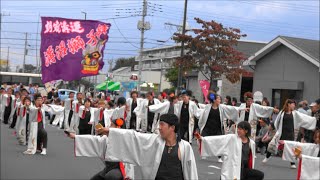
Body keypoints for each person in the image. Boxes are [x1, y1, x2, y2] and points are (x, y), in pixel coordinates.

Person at [96, 113, 198, 179]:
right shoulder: (155, 141)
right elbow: (134, 136)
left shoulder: (185, 147)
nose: (159, 128)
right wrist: (110, 131)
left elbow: (191, 173)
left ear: (172, 127)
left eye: (162, 124)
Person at [68, 109, 134, 180]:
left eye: (111, 125)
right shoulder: (106, 138)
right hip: (109, 168)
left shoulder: (125, 141)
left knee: (111, 177)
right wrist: (76, 137)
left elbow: (129, 164)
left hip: (120, 170)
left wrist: (128, 176)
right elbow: (93, 140)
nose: (109, 127)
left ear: (117, 128)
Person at [195, 121, 264, 180]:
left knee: (260, 175)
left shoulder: (251, 143)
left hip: (244, 169)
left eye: (241, 129)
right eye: (238, 128)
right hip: (232, 168)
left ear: (246, 131)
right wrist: (203, 139)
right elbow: (218, 140)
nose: (238, 130)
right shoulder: (232, 138)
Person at [263, 99, 317, 169]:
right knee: (272, 145)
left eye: (294, 104)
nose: (294, 105)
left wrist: (313, 119)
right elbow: (276, 121)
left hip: (291, 133)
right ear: (288, 104)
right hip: (282, 132)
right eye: (293, 104)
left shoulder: (295, 113)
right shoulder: (282, 112)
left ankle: (292, 163)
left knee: (291, 147)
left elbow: (304, 118)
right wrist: (276, 129)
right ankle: (267, 157)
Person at [198, 93, 243, 162]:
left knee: (219, 142)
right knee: (204, 140)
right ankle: (204, 154)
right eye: (218, 99)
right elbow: (201, 112)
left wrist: (242, 109)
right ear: (214, 100)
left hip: (217, 127)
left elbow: (231, 108)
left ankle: (219, 157)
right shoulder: (207, 107)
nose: (220, 100)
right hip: (207, 127)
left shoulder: (221, 107)